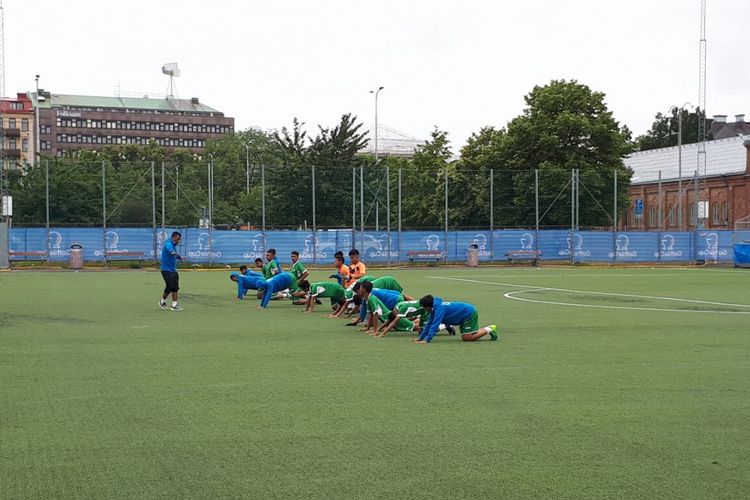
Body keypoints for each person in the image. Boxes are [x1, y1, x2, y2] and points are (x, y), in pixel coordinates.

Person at [414, 295, 497, 344]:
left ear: (428, 306)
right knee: (466, 337)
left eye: (424, 307)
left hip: (468, 313)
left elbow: (435, 325)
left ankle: (490, 328)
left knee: (467, 338)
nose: (424, 310)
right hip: (462, 317)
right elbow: (429, 324)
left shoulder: (439, 309)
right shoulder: (434, 309)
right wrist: (420, 338)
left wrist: (427, 340)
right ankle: (487, 329)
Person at [159, 231, 184, 311]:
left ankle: (174, 305)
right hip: (166, 270)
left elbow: (174, 254)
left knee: (175, 287)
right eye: (177, 239)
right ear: (173, 237)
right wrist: (174, 254)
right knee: (170, 286)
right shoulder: (168, 244)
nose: (178, 241)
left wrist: (180, 258)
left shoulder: (173, 245)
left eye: (179, 240)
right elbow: (171, 252)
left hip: (173, 270)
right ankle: (162, 301)